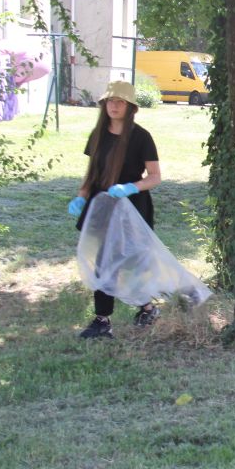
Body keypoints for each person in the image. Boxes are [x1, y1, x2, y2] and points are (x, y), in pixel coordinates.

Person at [67, 81, 162, 338]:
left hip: (131, 206)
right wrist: (81, 197)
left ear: (131, 107)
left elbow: (154, 177)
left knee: (131, 260)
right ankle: (102, 319)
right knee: (103, 260)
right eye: (110, 101)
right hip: (102, 206)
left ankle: (147, 308)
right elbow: (92, 174)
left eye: (120, 102)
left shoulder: (141, 137)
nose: (114, 106)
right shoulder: (97, 134)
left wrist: (130, 187)